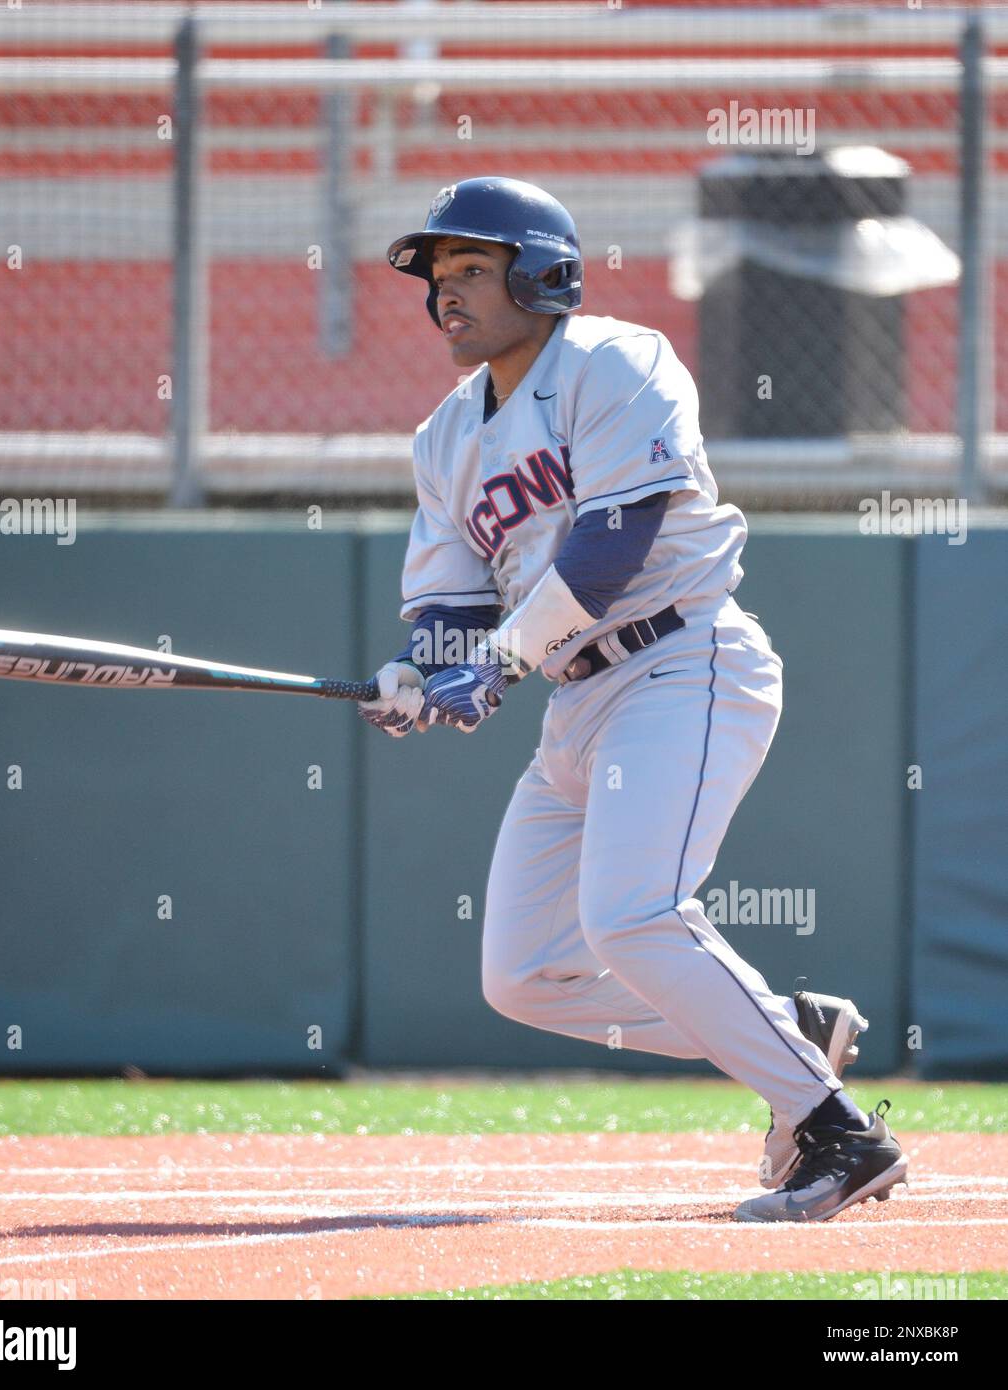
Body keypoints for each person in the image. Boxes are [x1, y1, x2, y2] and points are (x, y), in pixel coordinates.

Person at [359, 176, 908, 1223]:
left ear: (543, 273)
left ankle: (841, 1132)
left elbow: (614, 544)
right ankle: (786, 1025)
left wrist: (499, 663)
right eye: (438, 276)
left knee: (632, 914)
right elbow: (451, 602)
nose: (448, 295)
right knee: (525, 973)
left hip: (682, 661)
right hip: (578, 703)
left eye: (472, 269)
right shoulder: (442, 439)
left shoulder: (615, 360)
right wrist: (420, 670)